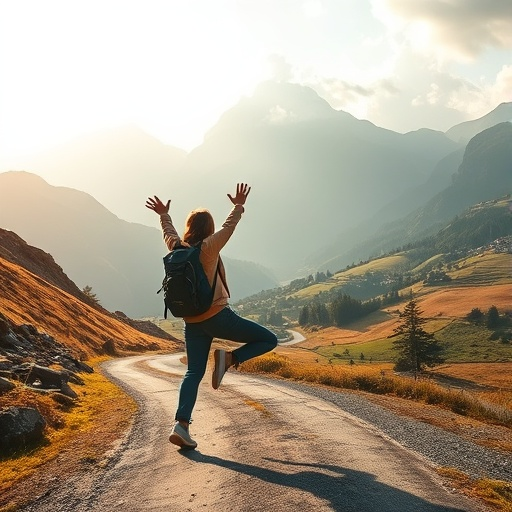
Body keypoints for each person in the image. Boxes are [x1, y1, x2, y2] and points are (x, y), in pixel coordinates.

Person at [145, 183, 277, 449]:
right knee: (269, 339)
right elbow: (228, 228)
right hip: (217, 316)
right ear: (208, 228)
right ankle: (230, 358)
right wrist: (238, 206)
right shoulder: (208, 247)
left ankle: (181, 426)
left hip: (191, 322)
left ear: (189, 227)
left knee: (193, 372)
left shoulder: (177, 247)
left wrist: (163, 215)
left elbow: (168, 233)